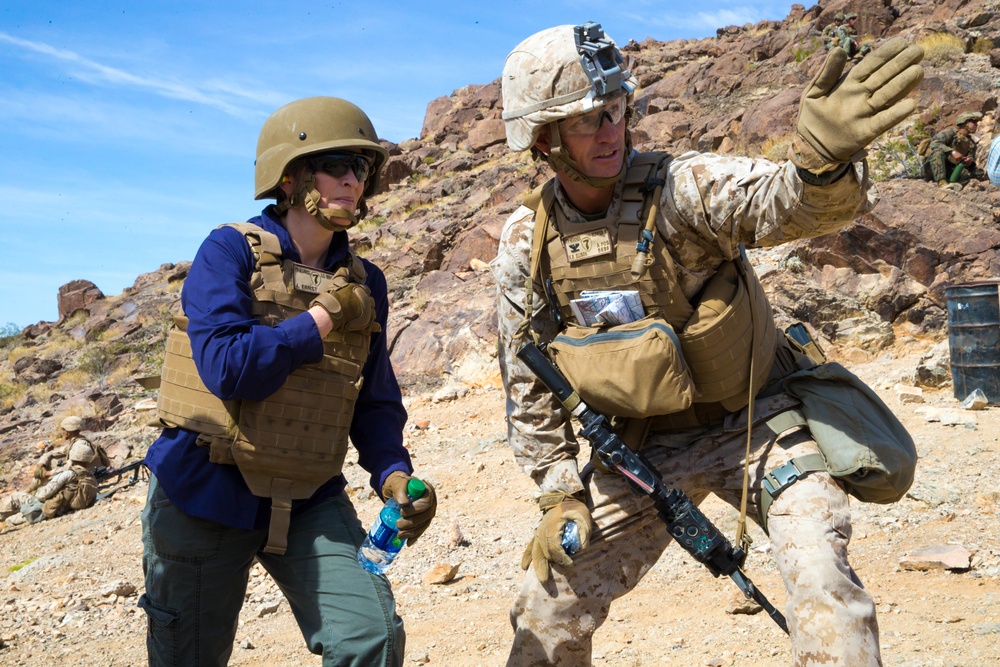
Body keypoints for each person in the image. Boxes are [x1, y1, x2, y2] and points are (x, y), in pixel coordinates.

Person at [492, 22, 923, 666]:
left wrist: (819, 162)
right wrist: (559, 492)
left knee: (822, 579)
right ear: (543, 139)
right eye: (587, 121)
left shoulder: (682, 188)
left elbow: (782, 204)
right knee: (547, 604)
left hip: (756, 424)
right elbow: (526, 374)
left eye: (615, 110)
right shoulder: (527, 242)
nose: (610, 131)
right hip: (638, 449)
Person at [139, 96, 437, 667]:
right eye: (339, 166)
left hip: (307, 492)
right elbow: (229, 366)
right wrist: (322, 317)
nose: (355, 180)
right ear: (292, 176)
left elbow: (373, 398)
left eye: (363, 168)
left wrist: (393, 472)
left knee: (370, 638)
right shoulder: (228, 251)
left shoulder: (365, 282)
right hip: (206, 489)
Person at [0, 437, 99, 526]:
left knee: (15, 498)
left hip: (48, 509)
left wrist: (36, 491)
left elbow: (42, 495)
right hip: (64, 509)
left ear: (72, 456)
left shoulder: (68, 474)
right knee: (13, 517)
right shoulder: (90, 476)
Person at [27, 415, 109, 493]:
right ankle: (31, 489)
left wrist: (46, 473)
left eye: (63, 429)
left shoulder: (79, 445)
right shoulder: (75, 441)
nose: (62, 432)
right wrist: (40, 466)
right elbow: (51, 453)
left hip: (82, 476)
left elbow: (71, 469)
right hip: (76, 472)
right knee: (49, 461)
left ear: (69, 431)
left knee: (50, 465)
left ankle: (30, 491)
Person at [923, 111, 987, 190]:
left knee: (979, 172)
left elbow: (971, 156)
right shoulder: (950, 133)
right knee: (937, 153)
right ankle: (942, 183)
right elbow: (934, 143)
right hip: (933, 167)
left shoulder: (971, 143)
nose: (976, 125)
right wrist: (952, 152)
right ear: (964, 122)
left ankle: (955, 183)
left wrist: (969, 161)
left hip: (951, 169)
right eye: (973, 122)